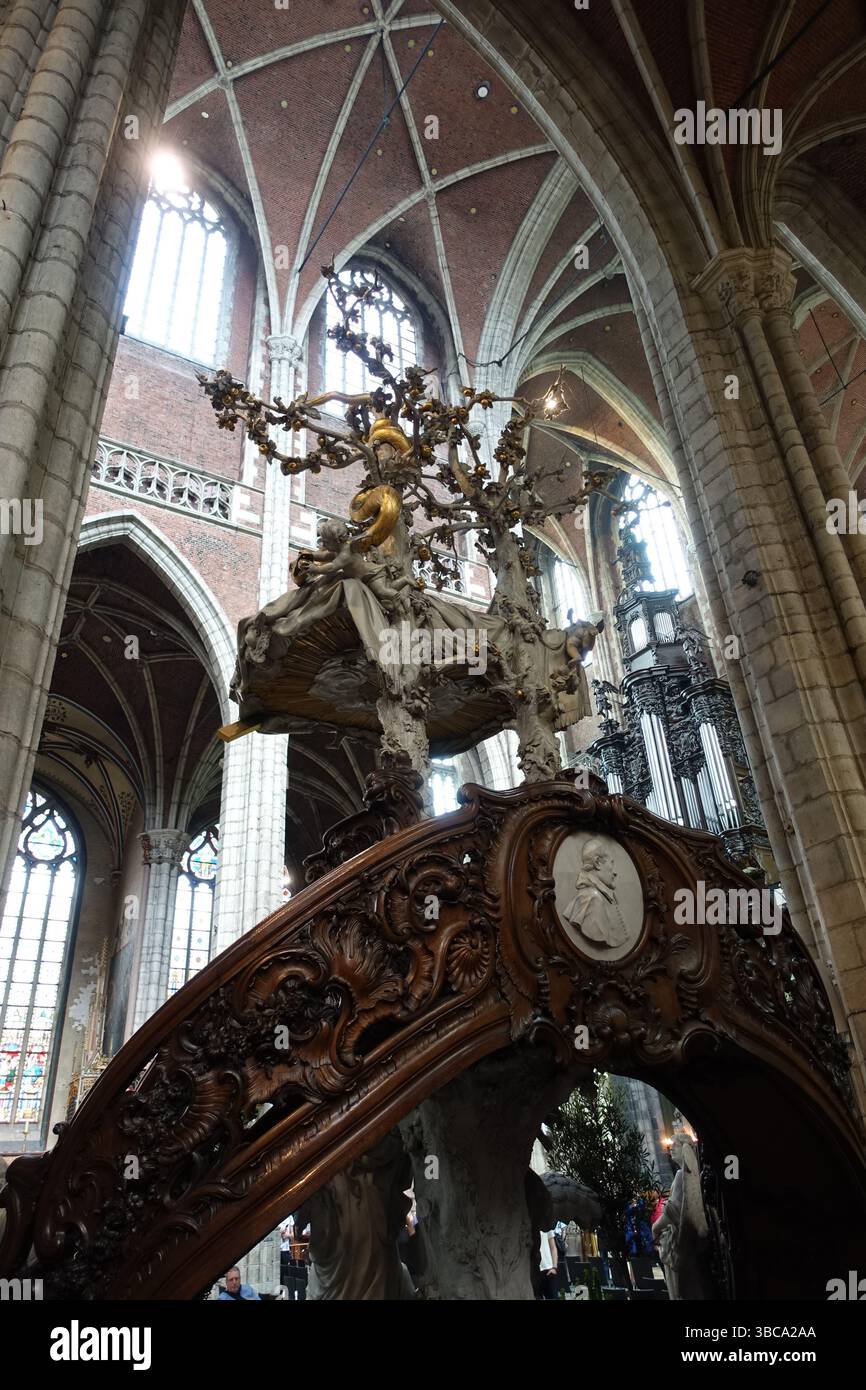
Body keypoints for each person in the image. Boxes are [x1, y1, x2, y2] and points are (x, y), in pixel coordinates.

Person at [563, 837, 630, 948]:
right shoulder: (592, 899)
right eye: (611, 863)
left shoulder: (605, 897)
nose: (615, 872)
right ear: (598, 863)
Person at [538, 1229, 559, 1299]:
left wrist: (554, 1267)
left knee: (552, 1297)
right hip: (534, 1270)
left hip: (548, 1269)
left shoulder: (546, 1225)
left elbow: (553, 1247)